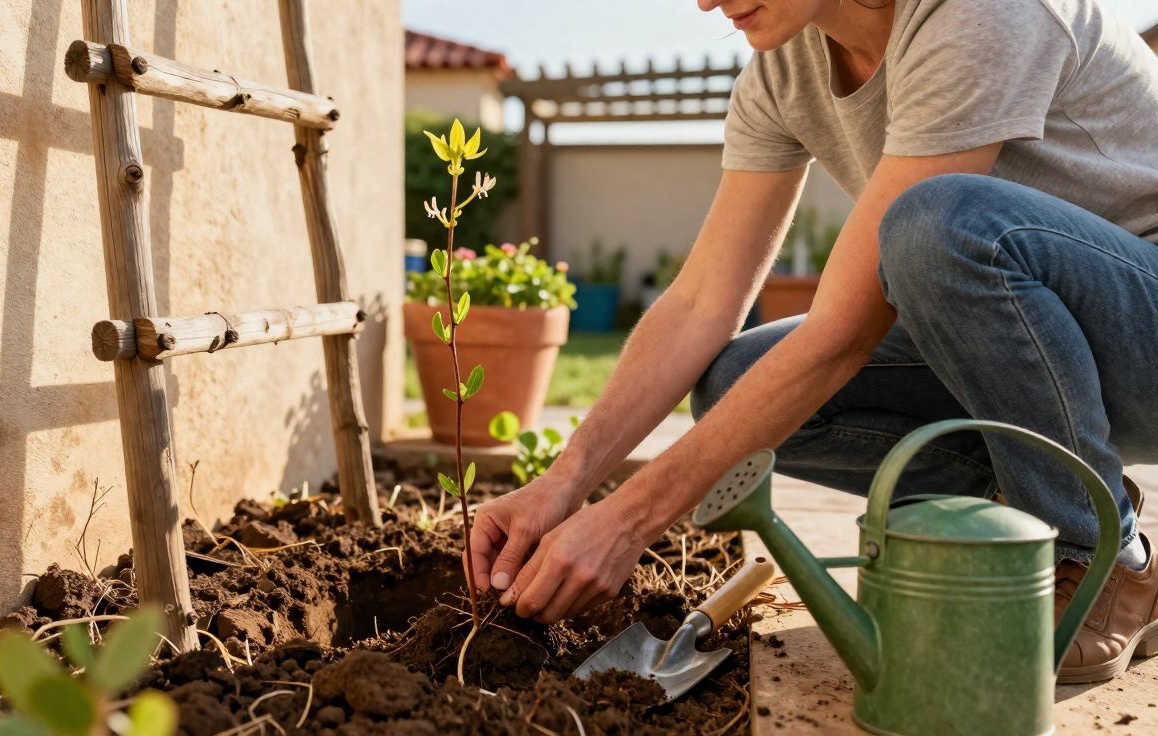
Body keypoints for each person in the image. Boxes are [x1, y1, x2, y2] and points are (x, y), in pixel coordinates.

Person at [468, 0, 1158, 684]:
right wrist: (562, 485)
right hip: (1056, 356)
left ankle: (1104, 559)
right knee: (737, 380)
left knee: (937, 225)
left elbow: (842, 334)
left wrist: (629, 520)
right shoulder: (783, 70)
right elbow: (700, 301)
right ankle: (1052, 490)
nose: (706, 0)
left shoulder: (986, 12)